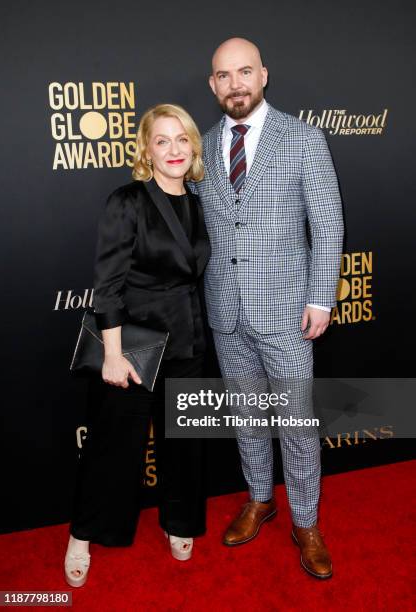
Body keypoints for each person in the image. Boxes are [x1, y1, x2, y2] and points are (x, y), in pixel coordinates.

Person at [192, 38, 344, 579]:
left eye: (245, 72)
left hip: (286, 314)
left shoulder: (303, 138)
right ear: (213, 85)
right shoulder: (202, 147)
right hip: (227, 313)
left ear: (264, 76)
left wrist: (320, 297)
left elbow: (326, 225)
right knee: (248, 419)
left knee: (297, 424)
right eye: (224, 76)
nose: (236, 84)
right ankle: (260, 498)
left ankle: (306, 521)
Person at [64, 104, 211, 587]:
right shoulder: (127, 201)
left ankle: (180, 522)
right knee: (112, 448)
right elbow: (106, 285)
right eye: (162, 141)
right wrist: (111, 353)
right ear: (146, 150)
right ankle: (83, 535)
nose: (173, 149)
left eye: (181, 139)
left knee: (183, 444)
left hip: (188, 341)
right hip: (134, 345)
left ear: (193, 146)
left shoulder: (200, 200)